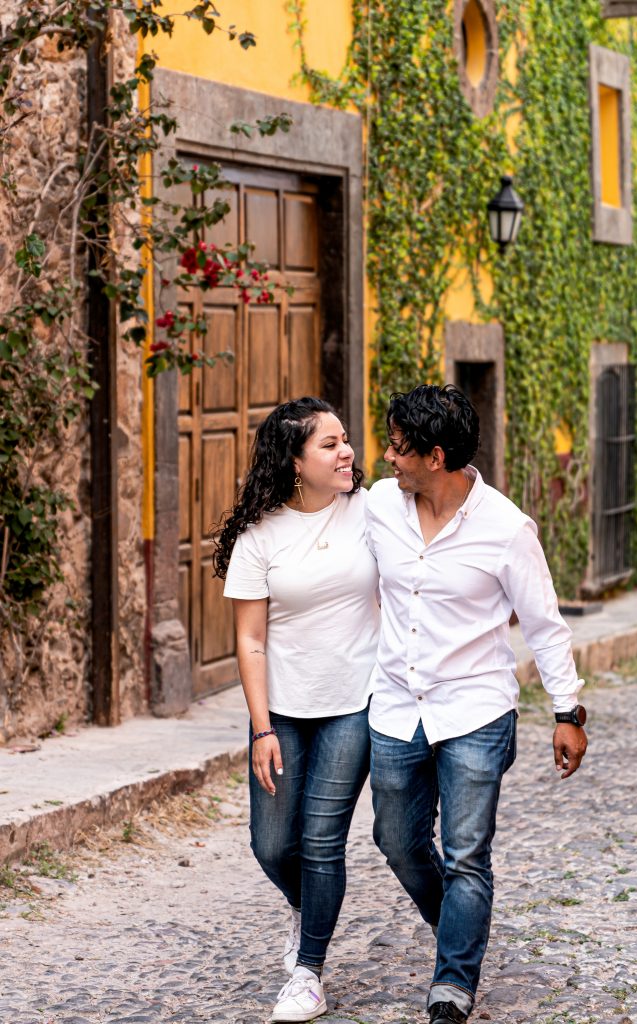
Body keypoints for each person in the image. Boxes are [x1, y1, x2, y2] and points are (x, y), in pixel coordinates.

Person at [365, 384, 588, 1024]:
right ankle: (460, 927)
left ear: (435, 457)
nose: (388, 456)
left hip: (476, 710)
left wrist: (567, 712)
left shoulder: (506, 529)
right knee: (397, 841)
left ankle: (453, 985)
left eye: (399, 447)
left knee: (467, 854)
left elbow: (544, 625)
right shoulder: (380, 505)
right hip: (396, 705)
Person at [214, 397, 379, 1024]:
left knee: (320, 840)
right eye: (329, 444)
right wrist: (261, 728)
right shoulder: (259, 536)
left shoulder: (371, 510)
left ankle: (308, 973)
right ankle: (307, 909)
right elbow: (250, 640)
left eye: (345, 440)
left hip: (355, 702)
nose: (347, 452)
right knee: (271, 844)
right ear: (294, 461)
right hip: (282, 709)